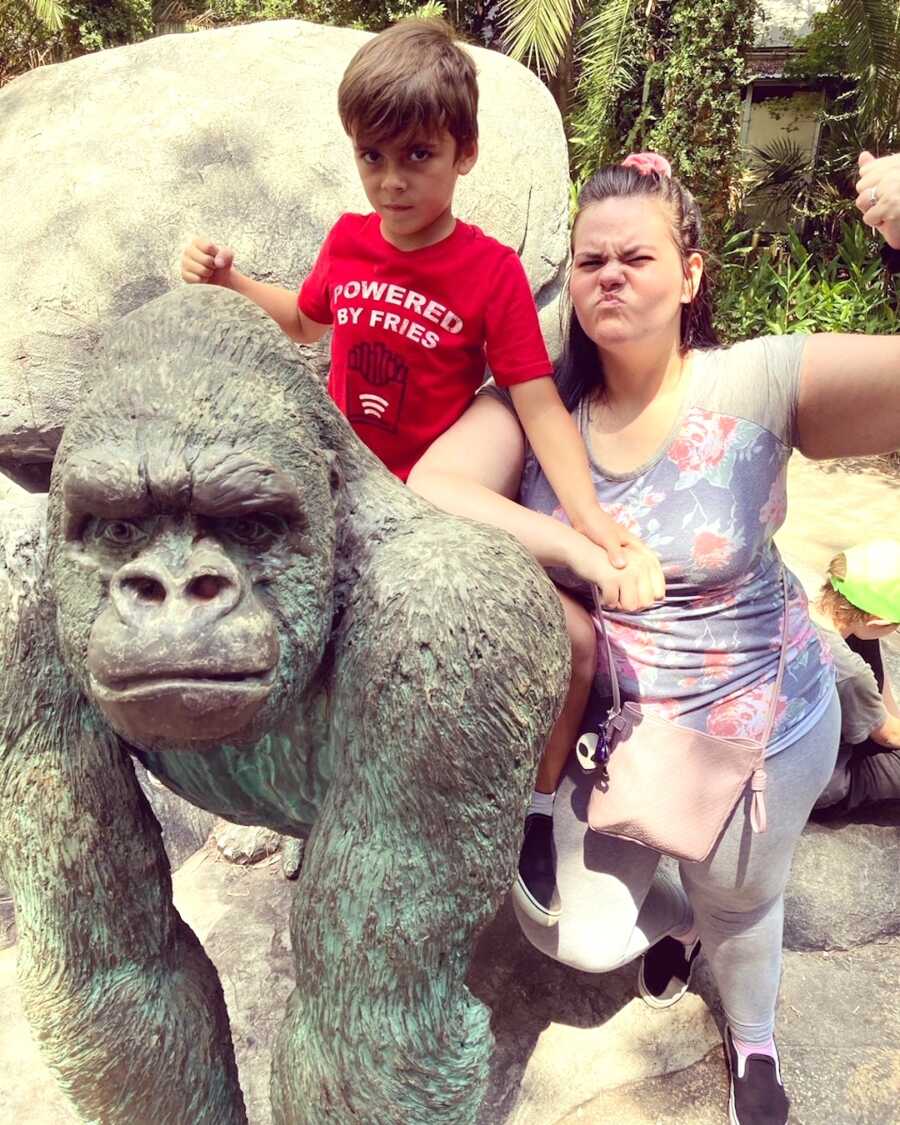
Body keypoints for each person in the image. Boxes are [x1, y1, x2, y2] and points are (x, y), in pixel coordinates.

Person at [407, 150, 900, 1124]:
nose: (610, 276)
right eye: (590, 261)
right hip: (626, 743)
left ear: (690, 274)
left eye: (637, 254)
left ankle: (754, 1044)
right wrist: (582, 549)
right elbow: (433, 485)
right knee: (576, 937)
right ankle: (681, 924)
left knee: (744, 907)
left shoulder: (758, 381)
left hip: (762, 725)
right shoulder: (537, 407)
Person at [179, 18, 661, 599]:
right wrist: (232, 280)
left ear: (466, 153)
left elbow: (537, 405)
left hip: (429, 502)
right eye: (373, 156)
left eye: (417, 155)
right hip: (343, 482)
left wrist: (589, 518)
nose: (392, 182)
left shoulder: (491, 270)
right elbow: (306, 323)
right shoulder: (348, 241)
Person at [810, 541, 900, 816]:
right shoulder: (849, 670)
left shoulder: (798, 605)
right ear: (877, 622)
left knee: (864, 642)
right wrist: (887, 726)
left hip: (785, 744)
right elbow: (890, 737)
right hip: (817, 784)